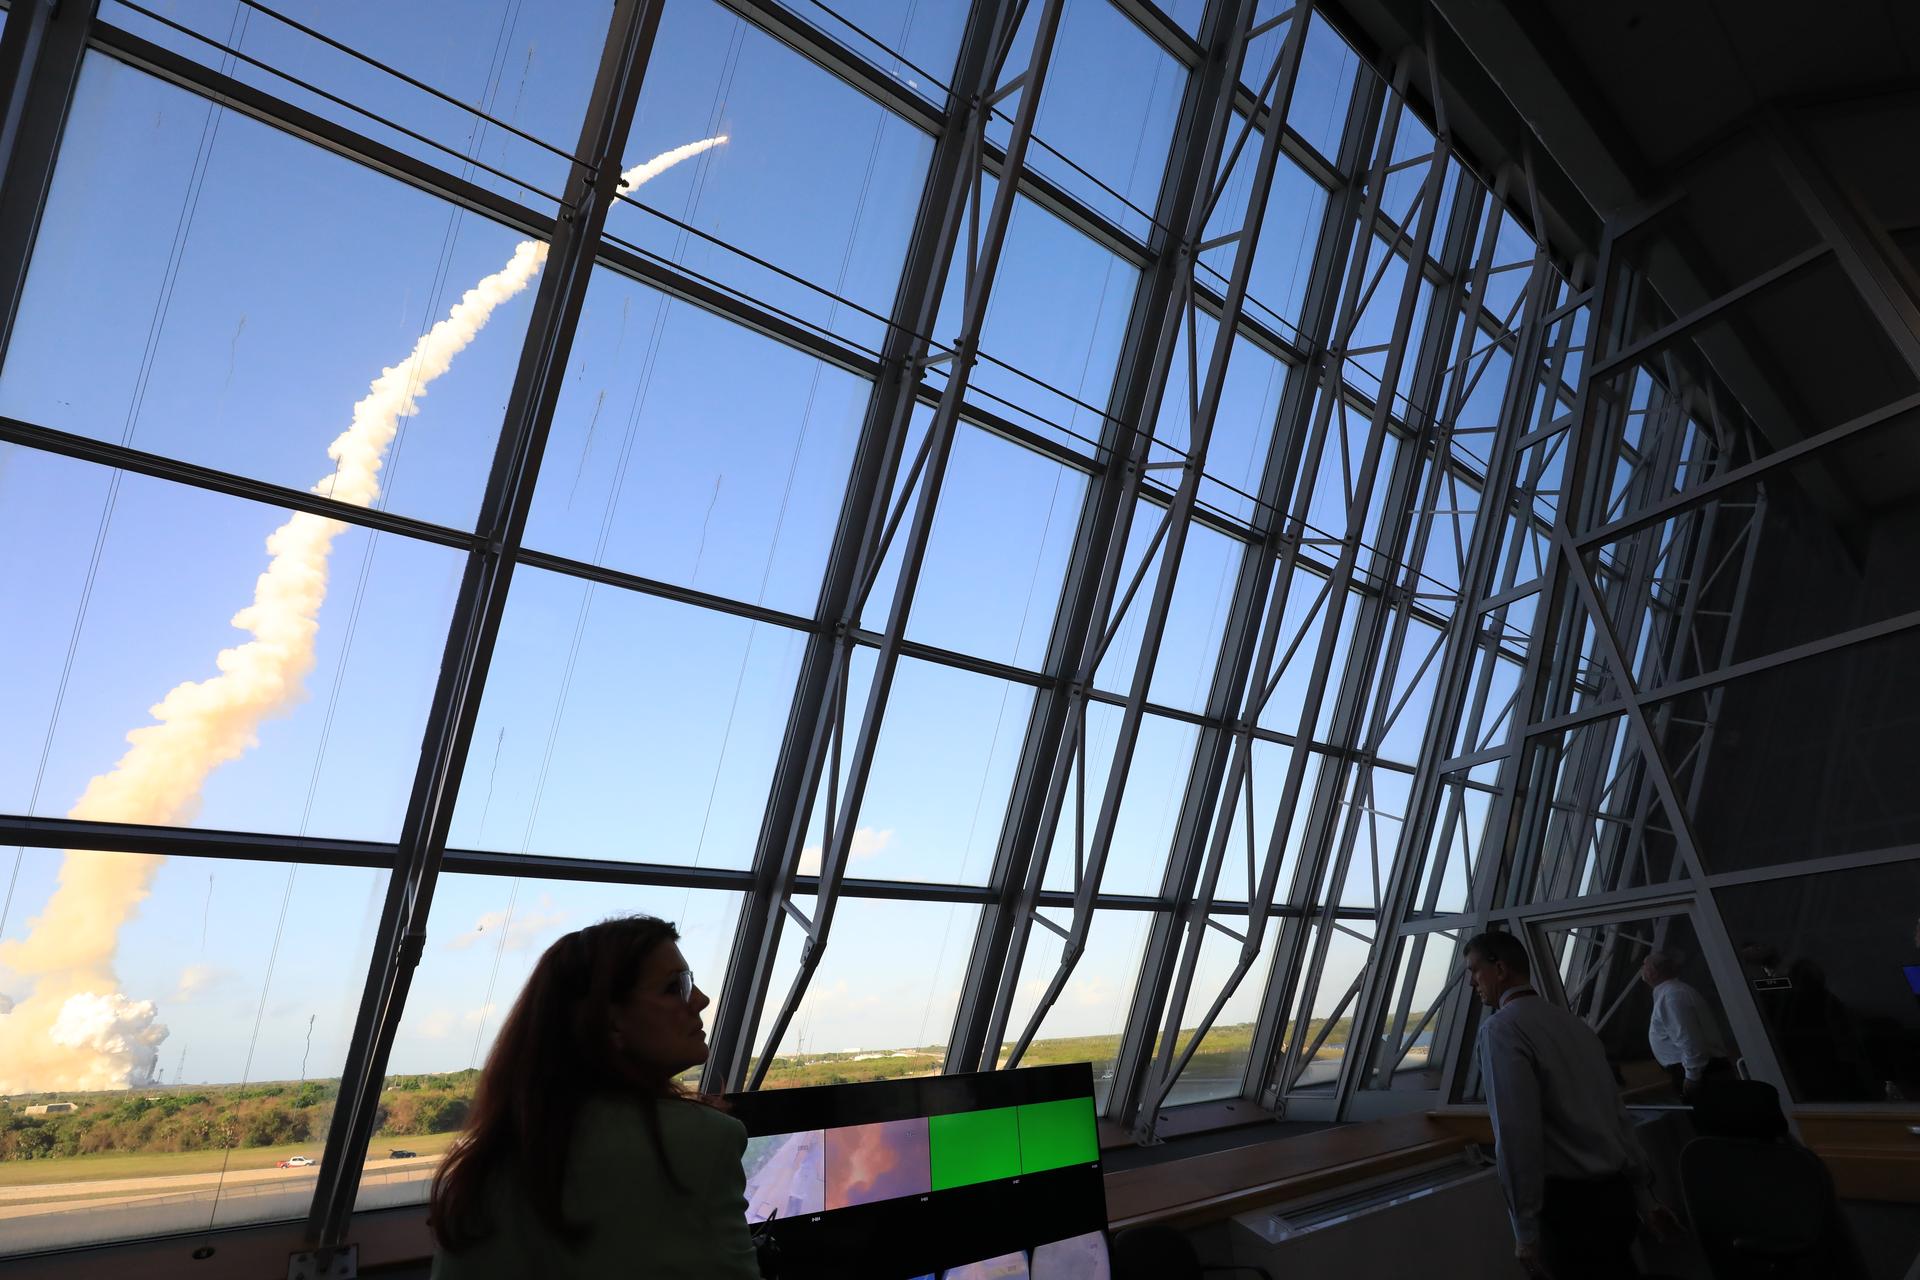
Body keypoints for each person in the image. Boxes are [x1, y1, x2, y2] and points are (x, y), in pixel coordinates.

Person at [430, 915, 760, 1279]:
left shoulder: (487, 1163)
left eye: (690, 983)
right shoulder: (704, 1142)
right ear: (611, 1022)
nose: (700, 999)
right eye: (673, 987)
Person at [1466, 931, 1675, 1279]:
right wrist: (1645, 1199)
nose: (1472, 982)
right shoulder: (1575, 1027)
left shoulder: (1501, 1032)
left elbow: (1517, 1134)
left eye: (1474, 971)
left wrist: (1525, 1229)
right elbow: (1617, 1117)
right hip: (1616, 1199)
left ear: (1500, 969)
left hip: (1570, 1210)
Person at [1638, 950, 1732, 1098]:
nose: (1641, 968)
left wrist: (1692, 1077)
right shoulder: (1674, 992)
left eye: (1644, 965)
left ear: (1653, 972)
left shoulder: (1671, 996)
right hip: (1702, 1070)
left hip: (1703, 1074)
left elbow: (1689, 1039)